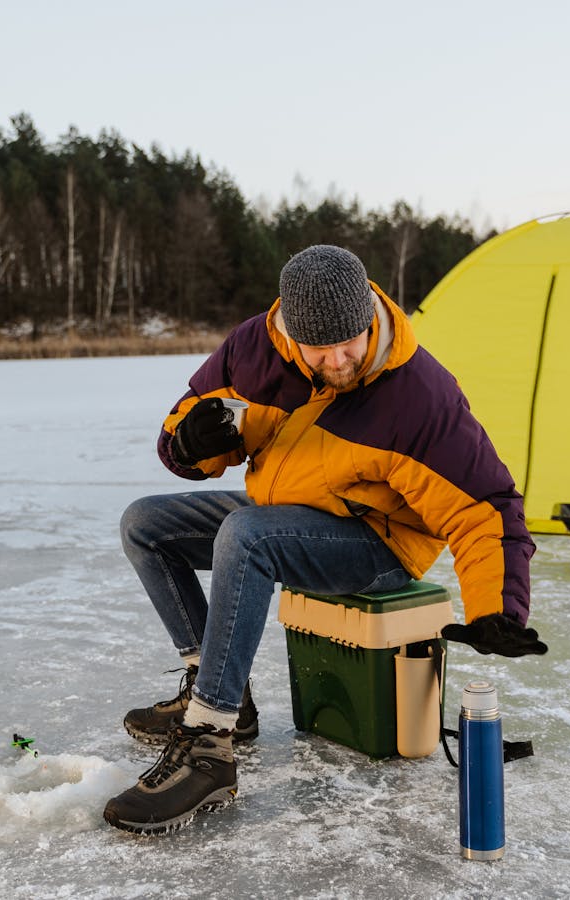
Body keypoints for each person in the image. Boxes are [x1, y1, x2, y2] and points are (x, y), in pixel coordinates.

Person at [103, 244, 546, 835]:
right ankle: (214, 690)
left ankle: (210, 747)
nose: (341, 359)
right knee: (144, 525)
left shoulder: (419, 395)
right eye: (322, 347)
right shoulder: (252, 348)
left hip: (377, 543)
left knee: (246, 535)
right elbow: (189, 416)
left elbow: (486, 506)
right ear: (289, 329)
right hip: (285, 512)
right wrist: (187, 445)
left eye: (352, 340)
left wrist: (498, 608)